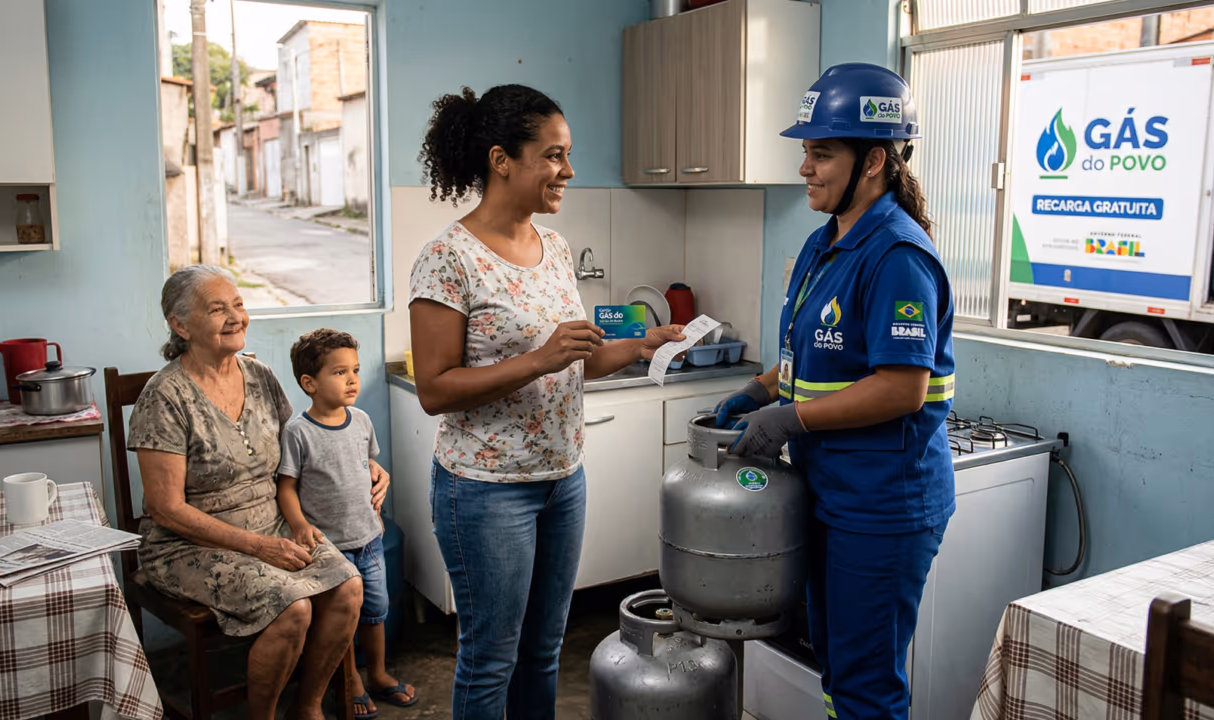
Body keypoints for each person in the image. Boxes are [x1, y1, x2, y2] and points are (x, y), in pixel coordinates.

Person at [408, 84, 685, 720]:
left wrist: (646, 345)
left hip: (563, 480)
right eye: (554, 155)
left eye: (568, 154)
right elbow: (434, 389)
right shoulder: (448, 259)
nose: (569, 170)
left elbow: (577, 359)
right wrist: (538, 357)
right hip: (485, 489)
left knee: (543, 651)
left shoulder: (553, 248)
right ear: (502, 159)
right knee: (491, 657)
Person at [715, 64, 957, 720]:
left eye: (822, 153)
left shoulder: (898, 257)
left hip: (882, 504)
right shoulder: (829, 242)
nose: (806, 169)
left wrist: (790, 420)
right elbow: (816, 354)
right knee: (836, 664)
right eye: (806, 152)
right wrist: (758, 389)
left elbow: (901, 390)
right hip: (831, 495)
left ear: (874, 159)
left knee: (865, 685)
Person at [128, 265, 388, 720]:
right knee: (293, 608)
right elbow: (164, 509)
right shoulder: (164, 396)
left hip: (270, 524)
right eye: (217, 309)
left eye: (239, 304)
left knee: (349, 586)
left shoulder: (260, 375)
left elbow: (303, 447)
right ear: (180, 325)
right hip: (188, 544)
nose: (235, 317)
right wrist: (259, 546)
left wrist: (364, 461)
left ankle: (306, 707)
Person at [277, 328, 416, 720]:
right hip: (329, 548)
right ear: (310, 383)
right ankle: (350, 681)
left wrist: (373, 483)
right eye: (339, 372)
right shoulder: (298, 432)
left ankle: (379, 673)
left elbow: (367, 465)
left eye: (354, 369)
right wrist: (299, 525)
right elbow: (285, 487)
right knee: (343, 621)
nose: (353, 379)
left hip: (369, 538)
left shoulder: (361, 420)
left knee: (376, 611)